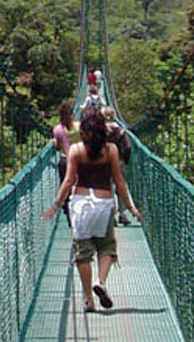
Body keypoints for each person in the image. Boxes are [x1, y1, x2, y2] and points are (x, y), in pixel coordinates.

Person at [41, 108, 142, 312]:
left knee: (83, 252)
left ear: (84, 128)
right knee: (107, 247)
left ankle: (88, 298)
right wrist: (131, 207)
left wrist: (55, 206)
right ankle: (101, 282)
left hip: (80, 203)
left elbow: (69, 181)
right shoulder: (111, 149)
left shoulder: (77, 150)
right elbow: (119, 181)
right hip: (104, 203)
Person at [101, 106, 134, 225]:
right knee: (120, 188)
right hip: (119, 162)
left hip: (104, 163)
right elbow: (128, 147)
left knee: (107, 188)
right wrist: (125, 160)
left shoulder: (100, 131)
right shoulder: (121, 131)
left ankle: (111, 216)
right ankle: (122, 214)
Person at [51, 101, 76, 225]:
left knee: (66, 186)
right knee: (78, 187)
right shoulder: (79, 127)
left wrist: (54, 143)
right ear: (72, 114)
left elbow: (58, 147)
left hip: (64, 161)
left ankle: (67, 208)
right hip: (78, 161)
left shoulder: (57, 129)